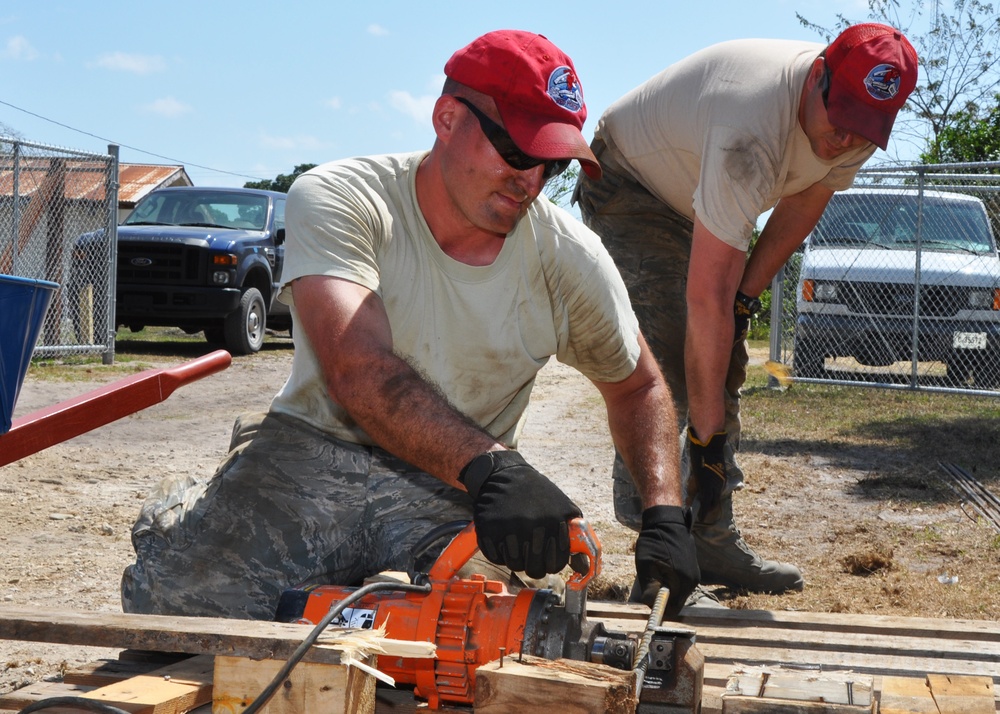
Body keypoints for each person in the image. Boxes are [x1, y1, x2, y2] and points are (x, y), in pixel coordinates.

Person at [120, 29, 700, 620]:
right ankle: (187, 519)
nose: (531, 181)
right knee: (174, 614)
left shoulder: (569, 257)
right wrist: (497, 466)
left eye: (551, 164)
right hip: (316, 450)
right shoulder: (341, 198)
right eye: (517, 151)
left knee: (497, 636)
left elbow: (639, 385)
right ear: (447, 118)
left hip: (456, 484)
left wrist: (665, 517)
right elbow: (359, 369)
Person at [573, 24, 917, 595]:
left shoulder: (854, 126)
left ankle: (711, 538)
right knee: (671, 359)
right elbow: (704, 301)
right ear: (818, 77)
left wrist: (744, 301)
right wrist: (705, 441)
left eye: (862, 130)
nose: (843, 142)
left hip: (692, 195)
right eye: (839, 121)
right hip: (631, 184)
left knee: (719, 346)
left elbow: (804, 202)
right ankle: (661, 547)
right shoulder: (750, 127)